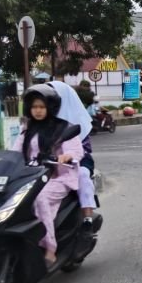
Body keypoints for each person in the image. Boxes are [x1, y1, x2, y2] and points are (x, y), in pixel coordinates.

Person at [11, 84, 83, 268]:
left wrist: (67, 156)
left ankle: (50, 247)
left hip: (58, 176)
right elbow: (15, 152)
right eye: (34, 107)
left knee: (39, 198)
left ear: (50, 108)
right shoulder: (28, 130)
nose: (38, 111)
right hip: (32, 177)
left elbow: (75, 150)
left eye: (42, 107)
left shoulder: (62, 127)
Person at [49, 81, 97, 233]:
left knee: (82, 174)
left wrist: (68, 155)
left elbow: (83, 149)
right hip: (48, 162)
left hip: (78, 161)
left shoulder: (75, 121)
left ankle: (87, 215)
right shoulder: (40, 120)